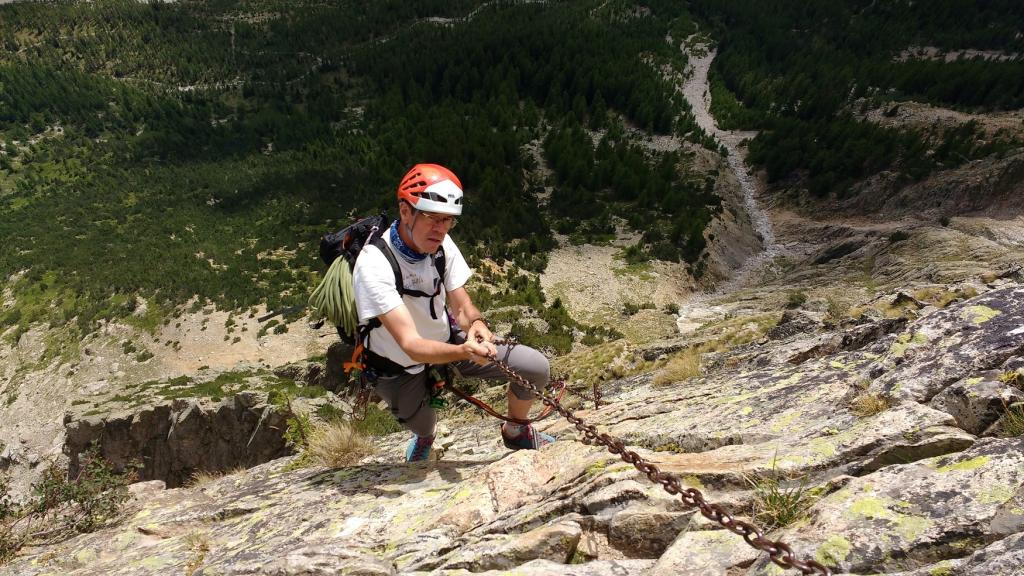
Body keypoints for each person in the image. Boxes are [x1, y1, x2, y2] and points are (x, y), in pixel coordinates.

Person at [352, 163, 554, 462]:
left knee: (535, 368)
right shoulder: (374, 264)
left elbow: (461, 304)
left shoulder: (440, 244)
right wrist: (462, 351)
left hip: (449, 341)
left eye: (448, 221)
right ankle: (425, 437)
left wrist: (476, 324)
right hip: (397, 364)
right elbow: (411, 345)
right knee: (424, 423)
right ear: (405, 211)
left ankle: (516, 431)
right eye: (432, 218)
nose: (441, 229)